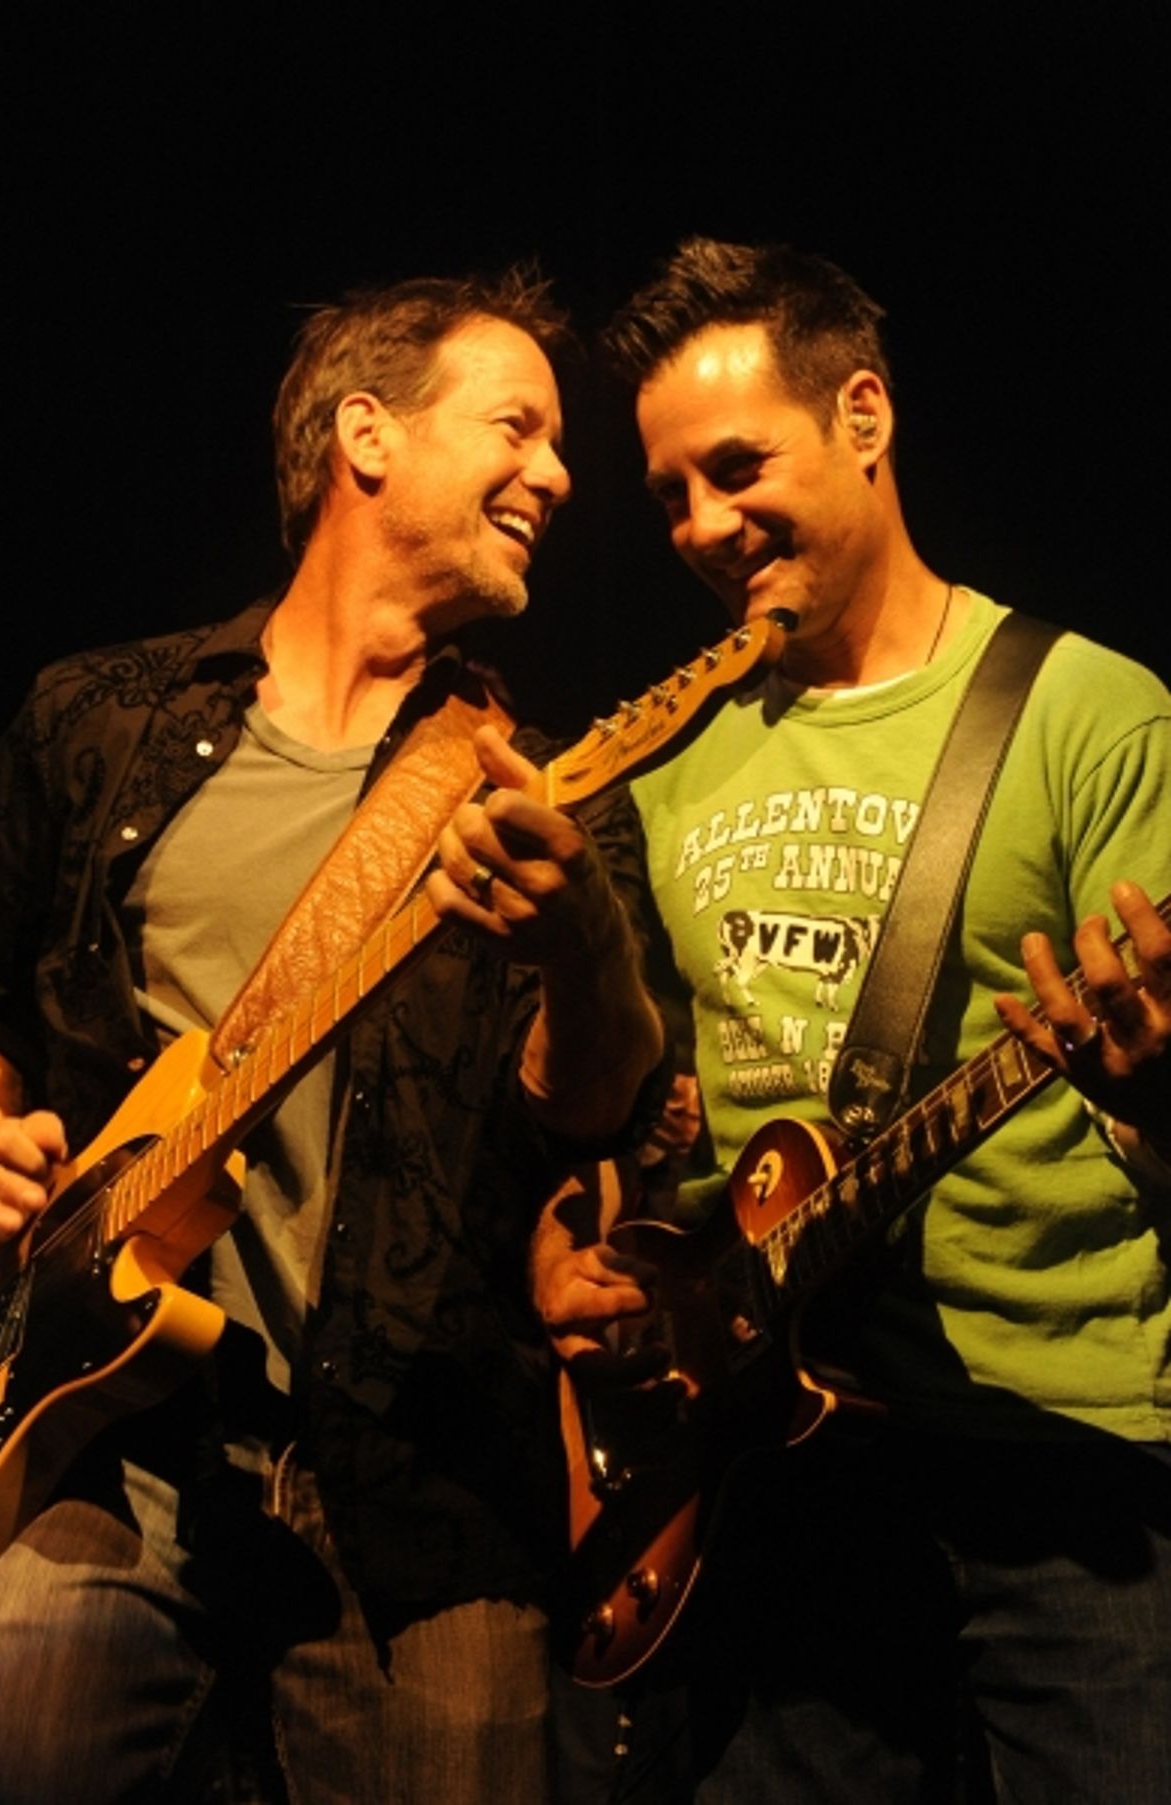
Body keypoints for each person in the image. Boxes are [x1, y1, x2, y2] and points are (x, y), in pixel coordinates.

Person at [0, 269, 664, 1804]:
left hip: (420, 1493)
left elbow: (600, 1105)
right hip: (99, 1449)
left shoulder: (546, 790)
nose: (560, 473)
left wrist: (583, 945)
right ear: (367, 434)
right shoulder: (98, 720)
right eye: (520, 426)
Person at [537, 239, 1171, 1802]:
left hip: (1060, 1460)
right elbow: (646, 1110)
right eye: (670, 494)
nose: (701, 525)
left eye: (736, 468)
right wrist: (596, 1239)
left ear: (865, 416)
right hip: (775, 1477)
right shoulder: (670, 762)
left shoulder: (1090, 708)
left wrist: (1155, 1083)